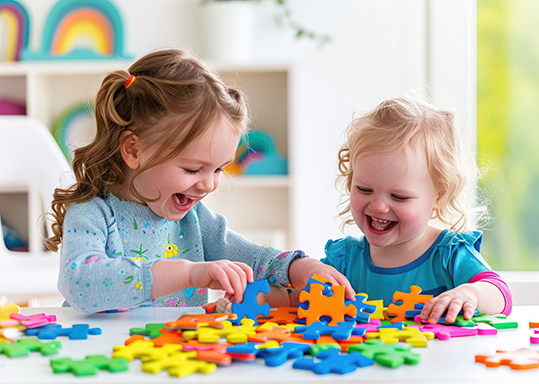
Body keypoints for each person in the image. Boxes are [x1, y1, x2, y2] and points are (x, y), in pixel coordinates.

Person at [46, 48, 353, 313]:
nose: (208, 185)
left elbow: (252, 257)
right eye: (193, 169)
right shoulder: (93, 213)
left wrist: (299, 267)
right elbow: (80, 284)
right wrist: (188, 274)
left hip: (176, 357)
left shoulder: (193, 220)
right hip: (104, 357)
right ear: (133, 150)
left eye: (219, 169)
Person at [322, 93, 512, 324]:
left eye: (399, 196)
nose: (379, 206)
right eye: (364, 189)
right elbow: (295, 297)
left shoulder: (449, 254)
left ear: (437, 197)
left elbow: (499, 292)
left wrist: (470, 293)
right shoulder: (344, 261)